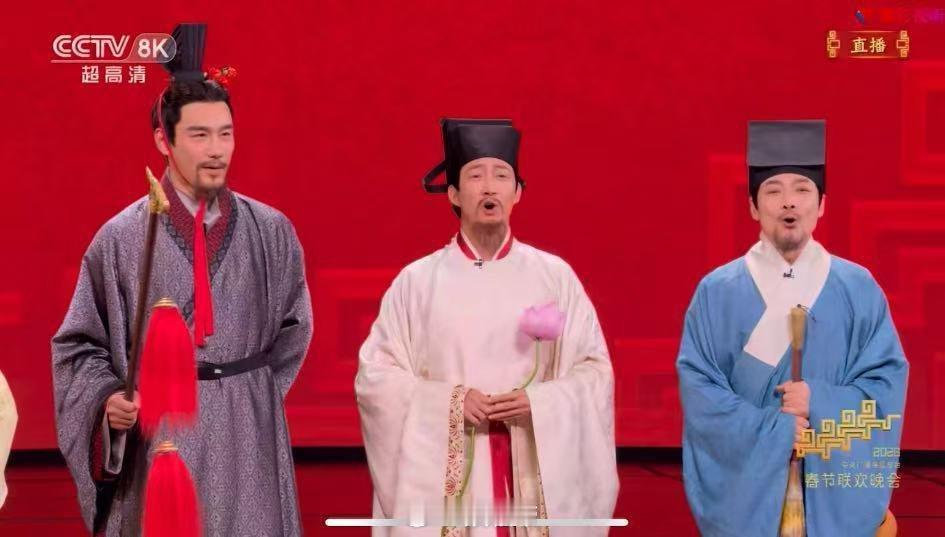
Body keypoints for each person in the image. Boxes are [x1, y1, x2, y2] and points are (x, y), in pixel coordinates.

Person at [51, 23, 312, 536]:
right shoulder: (121, 238)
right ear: (163, 140)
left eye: (225, 133)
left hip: (248, 436)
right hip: (161, 432)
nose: (216, 149)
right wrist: (109, 401)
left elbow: (294, 329)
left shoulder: (272, 231)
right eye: (199, 135)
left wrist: (247, 392)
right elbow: (79, 347)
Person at [356, 118, 618, 536]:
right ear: (454, 195)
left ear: (518, 193)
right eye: (476, 176)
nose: (489, 187)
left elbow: (594, 371)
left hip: (529, 459)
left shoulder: (554, 276)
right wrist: (450, 403)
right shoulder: (417, 283)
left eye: (502, 176)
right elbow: (376, 378)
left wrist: (539, 402)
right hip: (456, 462)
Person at [677, 119, 908, 536]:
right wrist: (774, 430)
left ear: (822, 204)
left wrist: (820, 402)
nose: (789, 203)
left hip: (831, 489)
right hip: (749, 493)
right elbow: (701, 396)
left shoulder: (858, 288)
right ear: (753, 206)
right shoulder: (716, 292)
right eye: (773, 191)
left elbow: (885, 390)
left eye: (802, 190)